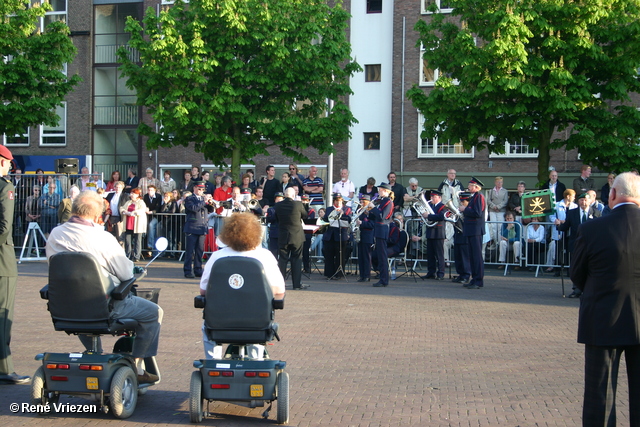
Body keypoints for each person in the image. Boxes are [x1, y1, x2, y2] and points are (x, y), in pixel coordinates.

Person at [46, 190, 163, 383]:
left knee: (82, 306)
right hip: (105, 305)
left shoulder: (55, 235)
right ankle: (137, 364)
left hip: (67, 306)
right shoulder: (102, 238)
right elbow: (126, 274)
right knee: (154, 313)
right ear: (97, 215)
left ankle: (94, 352)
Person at [570, 172, 640, 426]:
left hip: (602, 319)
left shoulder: (591, 228)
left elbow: (576, 274)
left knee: (600, 396)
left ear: (612, 194)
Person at [199, 213, 285, 359]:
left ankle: (213, 361)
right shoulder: (265, 256)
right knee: (261, 319)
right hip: (255, 321)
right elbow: (279, 290)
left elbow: (203, 290)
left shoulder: (217, 257)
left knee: (207, 328)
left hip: (221, 322)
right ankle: (256, 360)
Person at [0, 146, 31, 385]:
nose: (11, 166)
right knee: (3, 315)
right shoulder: (6, 187)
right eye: (9, 162)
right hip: (3, 263)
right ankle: (4, 369)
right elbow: (4, 228)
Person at [557, 192, 601, 298]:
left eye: (585, 200)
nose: (583, 202)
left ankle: (589, 289)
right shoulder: (572, 213)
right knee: (577, 267)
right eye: (581, 200)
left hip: (591, 245)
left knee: (590, 267)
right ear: (578, 201)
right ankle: (576, 289)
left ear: (590, 201)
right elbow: (566, 226)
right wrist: (559, 225)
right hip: (576, 244)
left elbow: (600, 229)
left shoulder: (596, 213)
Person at [274, 187, 309, 289]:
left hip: (283, 235)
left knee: (283, 260)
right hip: (296, 236)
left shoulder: (278, 205)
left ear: (285, 195)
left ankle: (281, 284)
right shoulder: (297, 204)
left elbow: (276, 218)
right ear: (293, 196)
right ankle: (296, 285)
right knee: (297, 259)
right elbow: (305, 216)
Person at [183, 183, 214, 278]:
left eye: (203, 190)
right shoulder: (189, 198)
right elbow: (193, 208)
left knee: (199, 250)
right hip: (192, 227)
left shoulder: (202, 199)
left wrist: (210, 202)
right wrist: (204, 201)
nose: (201, 191)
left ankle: (198, 269)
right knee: (190, 251)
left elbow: (210, 210)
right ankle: (187, 270)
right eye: (200, 189)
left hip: (202, 227)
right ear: (195, 188)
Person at [462, 177, 486, 289]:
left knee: (476, 256)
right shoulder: (474, 197)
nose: (468, 187)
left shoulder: (479, 196)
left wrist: (464, 209)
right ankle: (474, 278)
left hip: (475, 230)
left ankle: (478, 280)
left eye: (471, 186)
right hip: (471, 230)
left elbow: (477, 212)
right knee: (472, 256)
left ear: (476, 187)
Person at [322, 193, 352, 280]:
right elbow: (326, 219)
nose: (338, 203)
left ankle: (339, 273)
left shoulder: (346, 209)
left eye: (340, 201)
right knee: (329, 255)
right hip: (330, 235)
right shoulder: (329, 209)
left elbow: (349, 220)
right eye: (336, 201)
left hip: (341, 235)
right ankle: (329, 273)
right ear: (334, 201)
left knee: (340, 255)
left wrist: (343, 214)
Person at [370, 183, 394, 287]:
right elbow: (376, 216)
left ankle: (384, 280)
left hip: (382, 230)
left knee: (382, 256)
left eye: (380, 189)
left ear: (385, 191)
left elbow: (382, 216)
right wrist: (369, 211)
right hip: (379, 230)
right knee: (380, 255)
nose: (378, 191)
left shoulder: (388, 202)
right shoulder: (382, 201)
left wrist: (373, 207)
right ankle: (382, 278)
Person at [421, 189, 447, 280]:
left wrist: (428, 216)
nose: (431, 198)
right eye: (431, 196)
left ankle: (441, 273)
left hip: (438, 232)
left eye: (434, 197)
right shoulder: (430, 206)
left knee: (439, 254)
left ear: (439, 197)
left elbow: (441, 216)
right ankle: (431, 272)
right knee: (430, 254)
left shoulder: (443, 206)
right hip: (430, 231)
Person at [120, 188, 147, 262]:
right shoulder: (128, 202)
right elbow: (122, 208)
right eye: (131, 193)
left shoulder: (141, 202)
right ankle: (128, 255)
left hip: (137, 224)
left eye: (133, 194)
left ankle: (136, 256)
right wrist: (124, 211)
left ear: (138, 195)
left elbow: (142, 210)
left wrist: (134, 212)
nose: (131, 195)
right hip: (128, 223)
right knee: (128, 241)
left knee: (137, 241)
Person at [451, 192, 471, 284]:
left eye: (463, 201)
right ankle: (460, 274)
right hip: (458, 235)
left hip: (465, 236)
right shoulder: (462, 210)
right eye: (461, 201)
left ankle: (466, 275)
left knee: (464, 257)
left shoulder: (469, 210)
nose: (462, 203)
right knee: (458, 257)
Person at [355, 194, 374, 282]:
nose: (361, 203)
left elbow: (372, 225)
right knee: (361, 256)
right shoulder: (359, 211)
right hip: (360, 235)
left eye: (363, 202)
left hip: (368, 236)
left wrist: (362, 223)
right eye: (361, 201)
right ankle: (362, 275)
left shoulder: (371, 212)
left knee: (366, 256)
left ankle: (367, 275)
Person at [487, 176, 509, 247]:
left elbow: (505, 201)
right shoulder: (491, 191)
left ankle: (500, 243)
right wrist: (494, 206)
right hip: (492, 211)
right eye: (498, 182)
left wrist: (498, 207)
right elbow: (488, 200)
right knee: (493, 226)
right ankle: (494, 242)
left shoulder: (505, 191)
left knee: (500, 226)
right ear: (495, 182)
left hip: (501, 211)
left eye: (501, 182)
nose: (500, 183)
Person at [143, 185, 162, 256]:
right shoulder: (145, 196)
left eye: (151, 190)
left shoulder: (158, 196)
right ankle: (146, 249)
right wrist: (146, 209)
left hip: (156, 215)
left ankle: (150, 245)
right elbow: (145, 205)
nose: (150, 192)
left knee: (151, 225)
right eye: (149, 190)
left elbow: (158, 207)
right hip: (147, 215)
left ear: (154, 191)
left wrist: (152, 211)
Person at [266, 192, 285, 259]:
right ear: (275, 200)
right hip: (274, 233)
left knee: (283, 253)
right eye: (277, 199)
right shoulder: (271, 209)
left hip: (283, 233)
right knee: (273, 253)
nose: (279, 200)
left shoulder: (286, 209)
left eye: (281, 199)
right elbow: (270, 219)